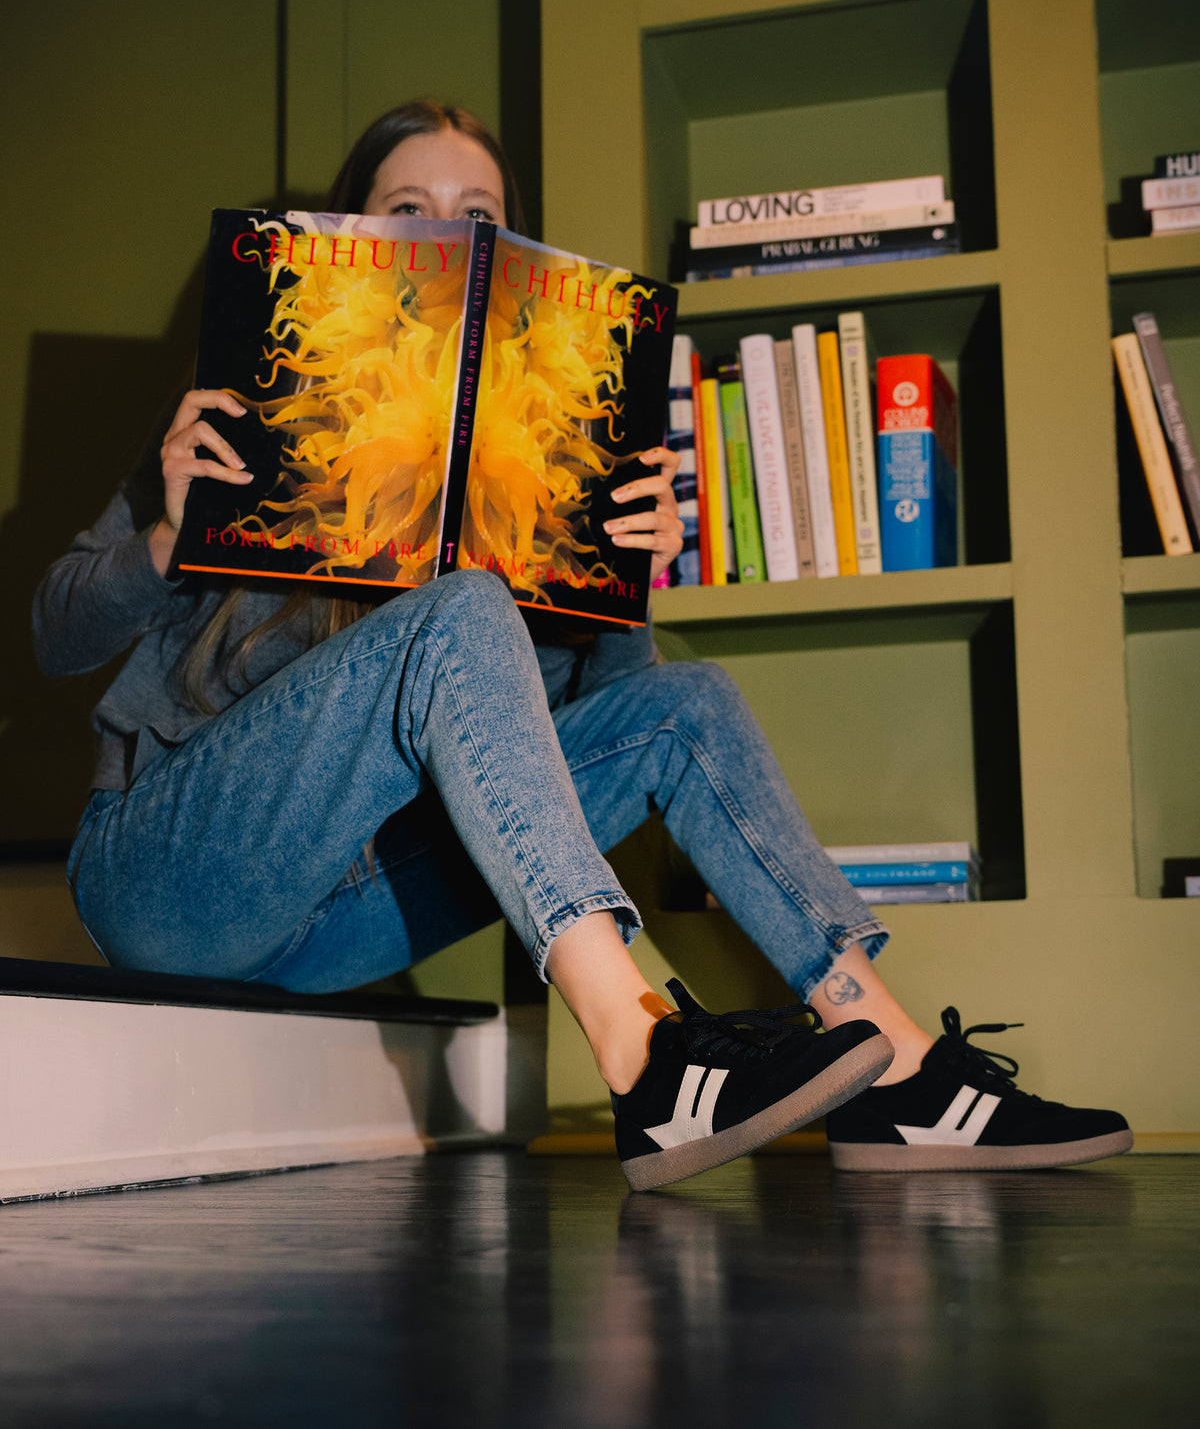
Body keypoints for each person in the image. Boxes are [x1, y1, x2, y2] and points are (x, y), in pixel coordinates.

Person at [33, 101, 1131, 1191]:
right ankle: (643, 1050)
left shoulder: (549, 470)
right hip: (168, 877)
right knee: (465, 608)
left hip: (341, 920)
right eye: (409, 207)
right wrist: (170, 534)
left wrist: (623, 588)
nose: (448, 230)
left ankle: (894, 1061)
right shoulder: (238, 412)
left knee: (686, 705)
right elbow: (55, 632)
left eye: (481, 216)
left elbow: (602, 749)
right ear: (351, 236)